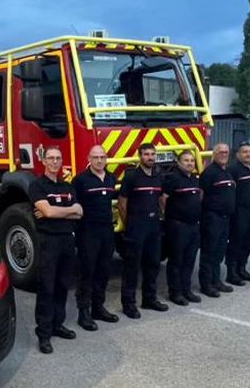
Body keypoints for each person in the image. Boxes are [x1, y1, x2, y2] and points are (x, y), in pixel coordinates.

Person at [29, 146, 83, 354]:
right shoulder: (37, 186)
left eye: (58, 158)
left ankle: (57, 325)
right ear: (43, 161)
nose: (54, 162)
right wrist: (66, 210)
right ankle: (43, 334)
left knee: (62, 286)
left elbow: (79, 213)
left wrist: (57, 212)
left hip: (67, 241)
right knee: (46, 288)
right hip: (48, 242)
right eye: (51, 158)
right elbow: (48, 212)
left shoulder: (67, 186)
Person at [118, 143, 168, 319]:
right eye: (146, 154)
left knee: (152, 264)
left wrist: (162, 216)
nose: (150, 157)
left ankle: (149, 299)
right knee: (132, 267)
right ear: (140, 156)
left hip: (154, 225)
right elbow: (123, 203)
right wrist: (129, 224)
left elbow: (161, 198)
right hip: (136, 225)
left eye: (153, 154)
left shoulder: (158, 175)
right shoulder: (131, 176)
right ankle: (129, 304)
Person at [73, 145, 119, 331]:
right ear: (89, 158)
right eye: (95, 157)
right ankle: (84, 312)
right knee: (87, 272)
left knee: (104, 270)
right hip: (88, 232)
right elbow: (75, 206)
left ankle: (98, 308)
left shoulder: (110, 178)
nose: (99, 160)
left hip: (107, 230)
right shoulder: (80, 180)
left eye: (102, 157)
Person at [162, 150, 202, 306]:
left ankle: (186, 290)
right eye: (186, 160)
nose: (190, 163)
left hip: (193, 226)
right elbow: (163, 199)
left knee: (189, 260)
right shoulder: (173, 178)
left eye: (192, 160)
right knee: (176, 261)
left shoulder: (194, 178)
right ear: (179, 162)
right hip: (178, 226)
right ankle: (175, 293)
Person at [199, 143, 236, 298]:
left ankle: (216, 280)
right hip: (212, 218)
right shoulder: (209, 172)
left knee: (219, 252)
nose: (224, 154)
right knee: (209, 252)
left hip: (225, 218)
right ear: (214, 154)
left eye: (226, 152)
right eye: (220, 152)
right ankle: (206, 284)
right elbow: (201, 195)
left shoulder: (227, 171)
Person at [226, 141, 250, 285]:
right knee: (236, 241)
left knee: (248, 241)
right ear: (238, 154)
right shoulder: (233, 170)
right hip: (239, 212)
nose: (248, 154)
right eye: (245, 152)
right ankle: (231, 273)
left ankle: (242, 268)